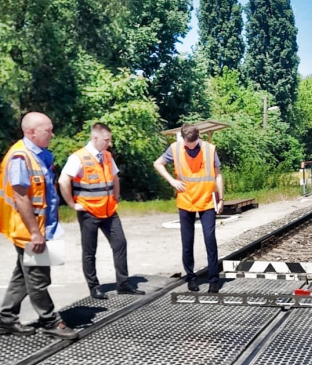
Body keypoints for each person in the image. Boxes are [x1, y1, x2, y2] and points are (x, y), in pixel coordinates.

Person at [0, 112, 77, 339]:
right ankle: (50, 321)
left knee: (24, 274)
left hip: (40, 227)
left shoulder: (38, 155)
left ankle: (6, 319)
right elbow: (21, 198)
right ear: (31, 132)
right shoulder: (20, 158)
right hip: (29, 230)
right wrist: (35, 233)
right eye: (48, 130)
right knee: (39, 278)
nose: (52, 134)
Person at [59, 123, 144, 299]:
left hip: (109, 210)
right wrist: (72, 204)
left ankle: (123, 284)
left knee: (120, 244)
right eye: (106, 140)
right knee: (90, 251)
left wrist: (116, 196)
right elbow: (63, 180)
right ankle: (94, 287)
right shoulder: (78, 157)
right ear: (95, 138)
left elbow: (115, 177)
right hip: (89, 212)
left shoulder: (107, 156)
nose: (109, 143)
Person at [153, 123, 224, 293]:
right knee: (187, 241)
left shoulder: (209, 149)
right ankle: (191, 278)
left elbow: (218, 174)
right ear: (183, 138)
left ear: (198, 137)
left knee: (210, 240)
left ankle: (214, 280)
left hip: (206, 201)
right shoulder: (175, 148)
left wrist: (221, 199)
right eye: (187, 144)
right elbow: (158, 163)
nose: (190, 147)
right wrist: (172, 181)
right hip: (186, 201)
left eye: (193, 144)